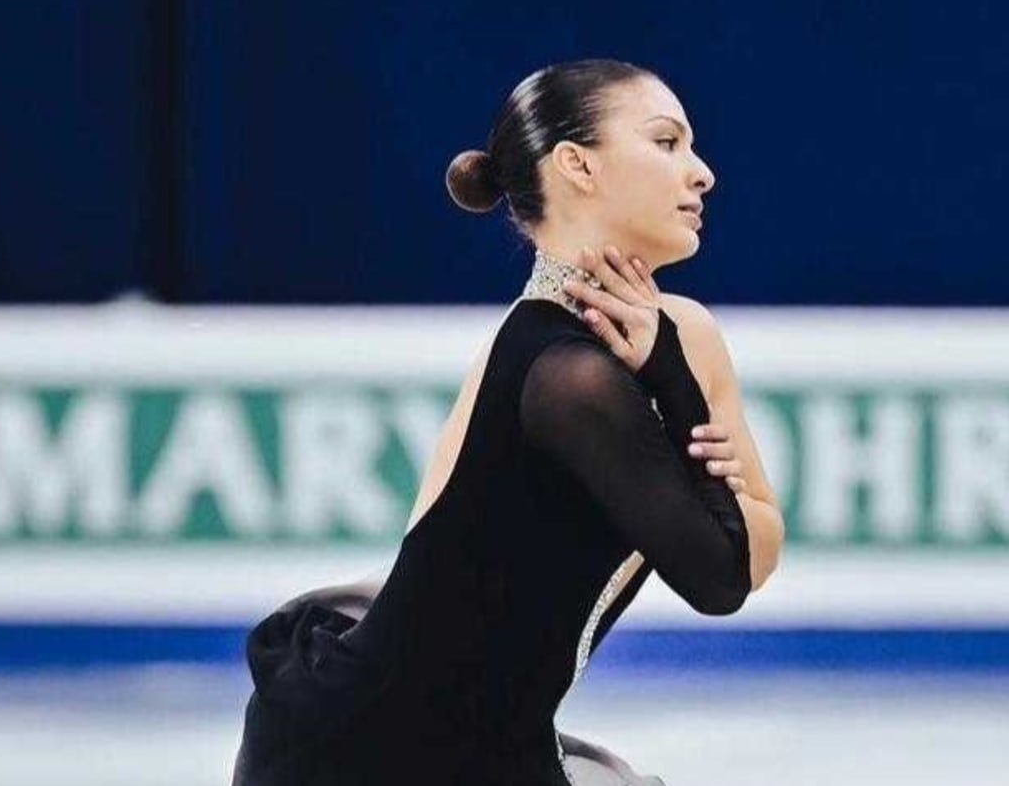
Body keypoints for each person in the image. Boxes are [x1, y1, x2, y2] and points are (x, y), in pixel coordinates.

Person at [231, 59, 786, 786]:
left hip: (484, 736)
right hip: (376, 754)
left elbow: (755, 548)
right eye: (666, 142)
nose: (702, 172)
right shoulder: (560, 374)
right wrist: (675, 391)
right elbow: (720, 578)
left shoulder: (681, 335)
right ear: (577, 165)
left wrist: (673, 377)